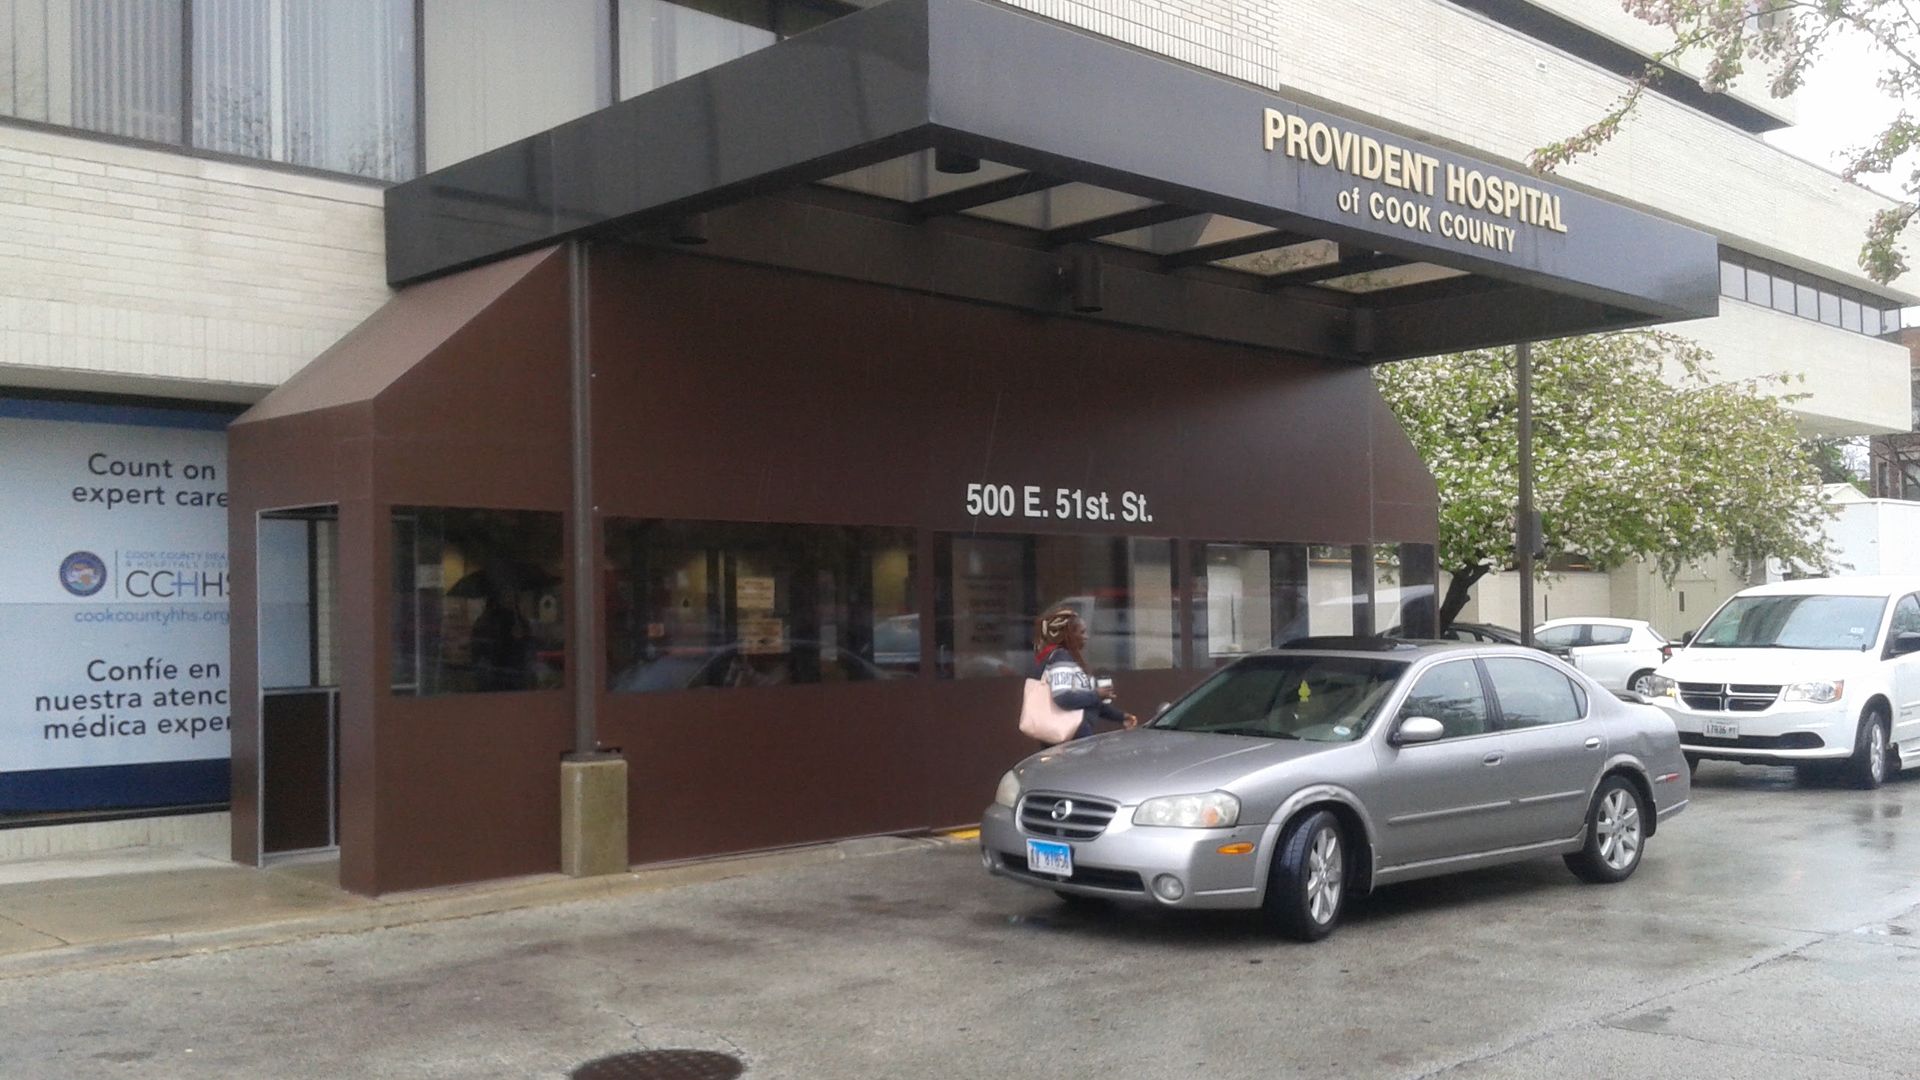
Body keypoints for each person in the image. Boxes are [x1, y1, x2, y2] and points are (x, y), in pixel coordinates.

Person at [1032, 606, 1138, 739]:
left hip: (1074, 734)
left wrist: (1120, 716)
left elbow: (1087, 702)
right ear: (1069, 635)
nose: (1086, 637)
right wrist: (1096, 694)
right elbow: (1063, 697)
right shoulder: (1061, 658)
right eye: (1082, 632)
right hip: (1069, 738)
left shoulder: (1068, 659)